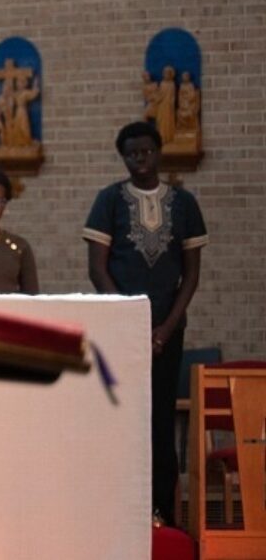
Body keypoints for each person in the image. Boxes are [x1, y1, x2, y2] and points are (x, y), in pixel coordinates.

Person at [83, 121, 208, 527]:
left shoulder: (185, 204)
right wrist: (128, 320)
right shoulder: (109, 201)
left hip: (167, 330)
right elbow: (97, 270)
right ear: (124, 157)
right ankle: (122, 513)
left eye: (147, 152)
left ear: (159, 153)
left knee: (161, 417)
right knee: (123, 418)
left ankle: (164, 515)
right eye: (132, 154)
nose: (140, 160)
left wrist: (165, 328)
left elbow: (190, 276)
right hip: (122, 329)